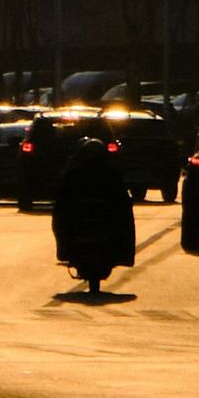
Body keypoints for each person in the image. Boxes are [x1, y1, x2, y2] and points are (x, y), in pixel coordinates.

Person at [46, 124, 134, 290]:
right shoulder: (76, 172)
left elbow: (121, 196)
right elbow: (62, 195)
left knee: (125, 221)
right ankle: (65, 248)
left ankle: (121, 252)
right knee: (60, 219)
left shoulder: (107, 172)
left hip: (103, 219)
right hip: (80, 218)